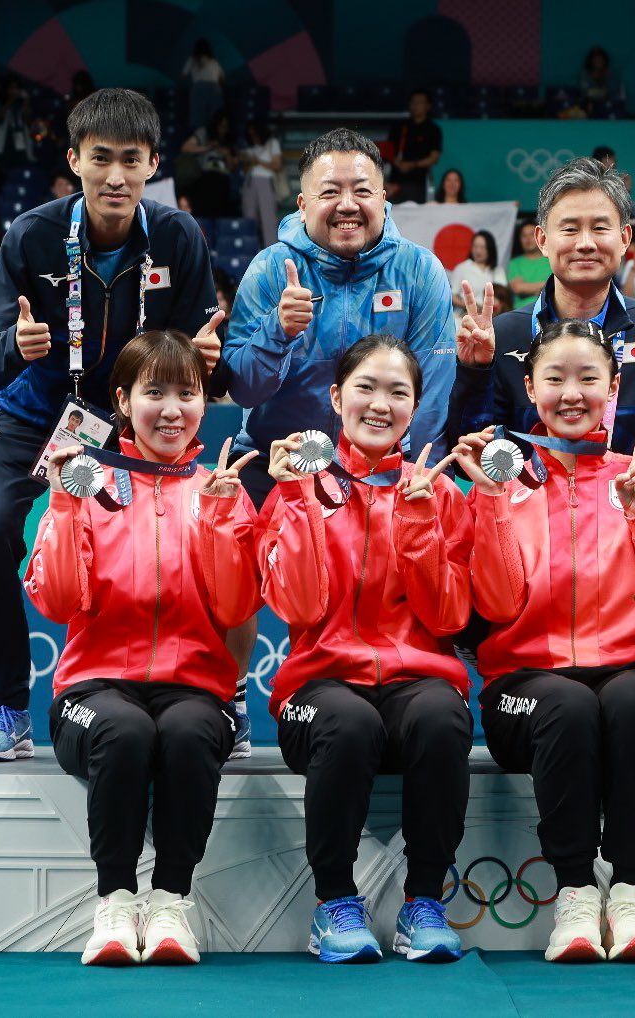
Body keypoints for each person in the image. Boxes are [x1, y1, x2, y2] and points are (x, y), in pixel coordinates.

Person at [0, 87, 224, 763]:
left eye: (131, 160)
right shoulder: (31, 236)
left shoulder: (177, 237)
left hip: (124, 426)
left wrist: (208, 361)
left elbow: (200, 362)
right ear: (74, 159)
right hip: (28, 413)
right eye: (100, 158)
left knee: (191, 542)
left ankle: (201, 696)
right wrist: (15, 346)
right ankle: (4, 708)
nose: (115, 176)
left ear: (153, 164)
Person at [448, 156, 635, 758]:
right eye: (568, 228)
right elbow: (470, 447)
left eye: (600, 227)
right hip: (532, 544)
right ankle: (518, 681)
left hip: (631, 538)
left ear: (625, 239)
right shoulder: (507, 334)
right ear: (541, 239)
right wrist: (473, 372)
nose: (585, 242)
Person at [454, 320, 635, 963]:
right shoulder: (501, 482)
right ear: (529, 389)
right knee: (566, 705)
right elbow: (494, 606)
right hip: (522, 686)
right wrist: (490, 503)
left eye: (589, 378)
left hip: (628, 669)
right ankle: (573, 891)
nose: (572, 393)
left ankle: (631, 891)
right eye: (555, 379)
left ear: (613, 389)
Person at [24, 329, 260, 966]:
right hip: (93, 690)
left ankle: (171, 902)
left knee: (188, 732)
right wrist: (63, 507)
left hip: (194, 689)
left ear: (205, 403)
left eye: (188, 393)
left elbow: (238, 609)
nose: (172, 409)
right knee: (124, 731)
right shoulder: (87, 483)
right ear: (123, 401)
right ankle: (115, 901)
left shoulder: (221, 489)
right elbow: (56, 602)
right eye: (154, 392)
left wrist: (220, 522)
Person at [223, 127, 456, 720]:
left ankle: (403, 690)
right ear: (303, 203)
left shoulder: (419, 271)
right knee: (231, 578)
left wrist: (398, 473)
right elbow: (242, 385)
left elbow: (430, 391)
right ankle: (229, 698)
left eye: (361, 190)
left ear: (384, 198)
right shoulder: (270, 269)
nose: (347, 204)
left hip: (383, 470)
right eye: (330, 192)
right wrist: (278, 333)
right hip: (278, 464)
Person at [260, 335, 472, 964]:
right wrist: (298, 499)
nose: (380, 404)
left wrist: (419, 526)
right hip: (318, 689)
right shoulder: (295, 485)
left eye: (398, 392)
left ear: (416, 407)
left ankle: (424, 902)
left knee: (442, 715)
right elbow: (298, 608)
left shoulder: (439, 493)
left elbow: (449, 617)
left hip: (414, 681)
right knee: (348, 722)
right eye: (366, 388)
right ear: (336, 398)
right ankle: (334, 903)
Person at [180, 110, 237, 218]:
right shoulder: (205, 133)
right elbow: (185, 147)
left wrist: (226, 154)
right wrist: (207, 148)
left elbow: (233, 167)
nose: (222, 129)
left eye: (225, 126)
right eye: (220, 125)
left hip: (222, 180)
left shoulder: (231, 140)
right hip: (204, 177)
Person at [389, 89, 442, 204]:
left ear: (428, 106)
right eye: (413, 102)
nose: (416, 105)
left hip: (418, 183)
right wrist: (397, 163)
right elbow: (388, 151)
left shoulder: (433, 129)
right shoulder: (399, 126)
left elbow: (434, 158)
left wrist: (412, 165)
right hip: (395, 182)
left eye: (420, 102)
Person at [240, 118, 283, 248]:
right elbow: (244, 168)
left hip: (265, 181)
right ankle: (248, 249)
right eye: (250, 134)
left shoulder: (272, 143)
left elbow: (277, 165)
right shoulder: (249, 148)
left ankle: (271, 249)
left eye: (255, 134)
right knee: (249, 217)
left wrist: (257, 161)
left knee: (268, 218)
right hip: (250, 182)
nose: (253, 137)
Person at [450, 230, 506, 315]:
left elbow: (503, 296)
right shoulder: (462, 268)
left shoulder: (498, 270)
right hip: (466, 314)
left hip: (493, 315)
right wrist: (470, 305)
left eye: (483, 247)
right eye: (475, 247)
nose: (478, 251)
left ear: (490, 249)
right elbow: (452, 296)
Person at [181, 39, 225, 135]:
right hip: (214, 89)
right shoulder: (214, 62)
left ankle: (200, 138)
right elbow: (222, 78)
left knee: (199, 118)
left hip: (199, 89)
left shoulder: (192, 60)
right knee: (214, 116)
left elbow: (183, 76)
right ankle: (211, 137)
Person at [506, 220, 552, 309]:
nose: (528, 239)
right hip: (521, 311)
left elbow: (557, 286)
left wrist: (528, 288)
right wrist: (544, 287)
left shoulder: (551, 259)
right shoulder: (515, 263)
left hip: (547, 310)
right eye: (524, 236)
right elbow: (518, 288)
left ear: (540, 236)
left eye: (531, 234)